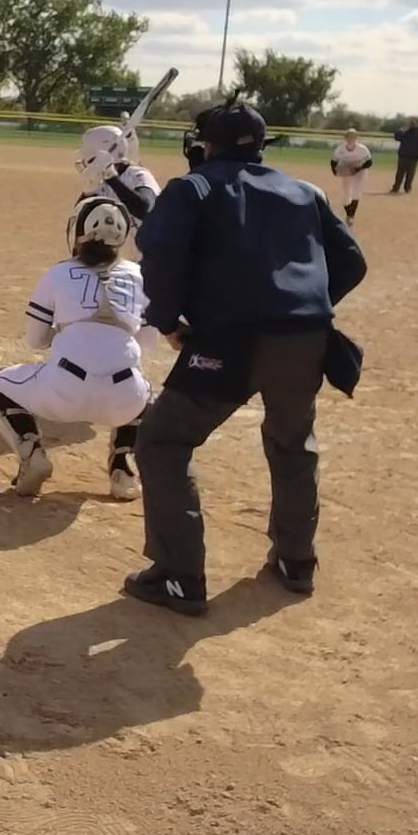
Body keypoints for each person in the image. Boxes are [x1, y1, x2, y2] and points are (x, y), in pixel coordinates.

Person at [126, 100, 367, 616]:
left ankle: (179, 576)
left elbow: (159, 254)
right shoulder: (306, 191)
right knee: (293, 443)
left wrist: (167, 321)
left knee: (164, 441)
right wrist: (303, 308)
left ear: (206, 145)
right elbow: (351, 261)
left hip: (230, 340)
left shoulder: (193, 188)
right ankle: (295, 562)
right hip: (305, 339)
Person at [0, 195, 156, 498]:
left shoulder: (59, 272)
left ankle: (31, 456)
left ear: (78, 231)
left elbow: (35, 340)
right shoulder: (140, 276)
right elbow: (147, 344)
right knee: (143, 390)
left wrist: (69, 332)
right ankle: (123, 470)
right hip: (123, 399)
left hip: (63, 392)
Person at [72, 123, 162, 499]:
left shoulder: (139, 176)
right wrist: (89, 188)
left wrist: (112, 177)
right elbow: (79, 230)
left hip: (150, 279)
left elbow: (149, 210)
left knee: (131, 360)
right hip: (115, 278)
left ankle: (122, 458)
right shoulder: (100, 179)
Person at [330, 129, 373, 226]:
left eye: (353, 137)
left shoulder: (362, 149)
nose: (351, 139)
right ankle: (349, 214)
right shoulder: (340, 149)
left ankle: (351, 216)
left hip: (361, 171)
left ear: (357, 138)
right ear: (345, 138)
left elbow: (369, 162)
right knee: (346, 194)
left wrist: (357, 169)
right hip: (347, 171)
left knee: (356, 192)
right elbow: (333, 161)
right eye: (348, 137)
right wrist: (335, 171)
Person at [390, 121, 418, 193]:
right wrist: (400, 130)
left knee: (409, 174)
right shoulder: (406, 133)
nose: (412, 125)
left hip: (412, 157)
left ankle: (406, 188)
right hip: (404, 156)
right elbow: (397, 137)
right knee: (401, 174)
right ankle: (398, 188)